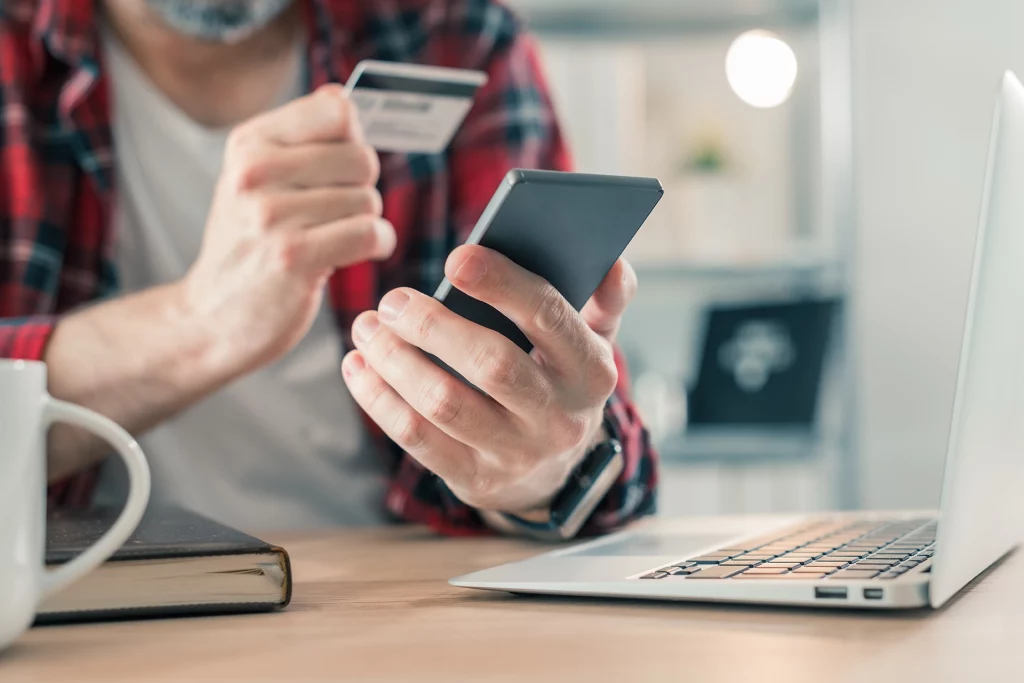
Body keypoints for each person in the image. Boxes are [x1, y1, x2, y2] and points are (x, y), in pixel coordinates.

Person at [0, 0, 657, 535]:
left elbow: (595, 443)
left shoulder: (456, 33)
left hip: (402, 611)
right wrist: (198, 323)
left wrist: (543, 469)